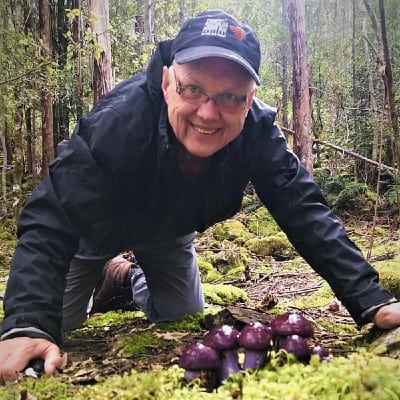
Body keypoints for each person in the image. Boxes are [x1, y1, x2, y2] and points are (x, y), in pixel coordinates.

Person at [0, 9, 399, 384]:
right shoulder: (119, 122)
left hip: (170, 229)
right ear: (167, 82)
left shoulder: (257, 133)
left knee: (182, 315)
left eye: (230, 97)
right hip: (96, 227)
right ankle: (105, 268)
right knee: (62, 324)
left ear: (249, 98)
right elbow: (51, 215)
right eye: (193, 89)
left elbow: (306, 211)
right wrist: (27, 322)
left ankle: (126, 278)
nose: (208, 113)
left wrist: (369, 299)